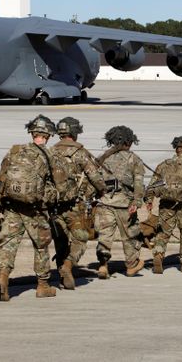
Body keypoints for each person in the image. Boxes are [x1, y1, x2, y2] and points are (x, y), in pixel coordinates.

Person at [0, 115, 59, 300]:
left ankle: (2, 280)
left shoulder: (14, 150)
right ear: (47, 135)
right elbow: (59, 183)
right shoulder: (50, 155)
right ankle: (43, 285)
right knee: (41, 246)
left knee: (7, 244)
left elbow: (3, 175)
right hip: (35, 209)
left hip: (12, 206)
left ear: (32, 133)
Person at [50, 117, 107, 289]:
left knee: (60, 239)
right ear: (75, 132)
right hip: (76, 205)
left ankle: (61, 273)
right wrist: (102, 190)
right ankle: (68, 265)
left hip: (54, 205)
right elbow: (95, 177)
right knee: (80, 239)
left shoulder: (50, 151)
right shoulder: (80, 153)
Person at [94, 126, 146, 279]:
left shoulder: (103, 158)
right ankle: (131, 265)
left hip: (105, 203)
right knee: (131, 236)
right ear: (129, 141)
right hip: (125, 204)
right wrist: (137, 202)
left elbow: (95, 180)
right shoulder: (134, 159)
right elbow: (138, 183)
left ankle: (103, 266)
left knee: (105, 236)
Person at [147, 136, 182, 272]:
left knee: (163, 233)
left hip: (166, 204)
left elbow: (153, 185)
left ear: (176, 149)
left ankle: (158, 255)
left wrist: (149, 201)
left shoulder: (164, 165)